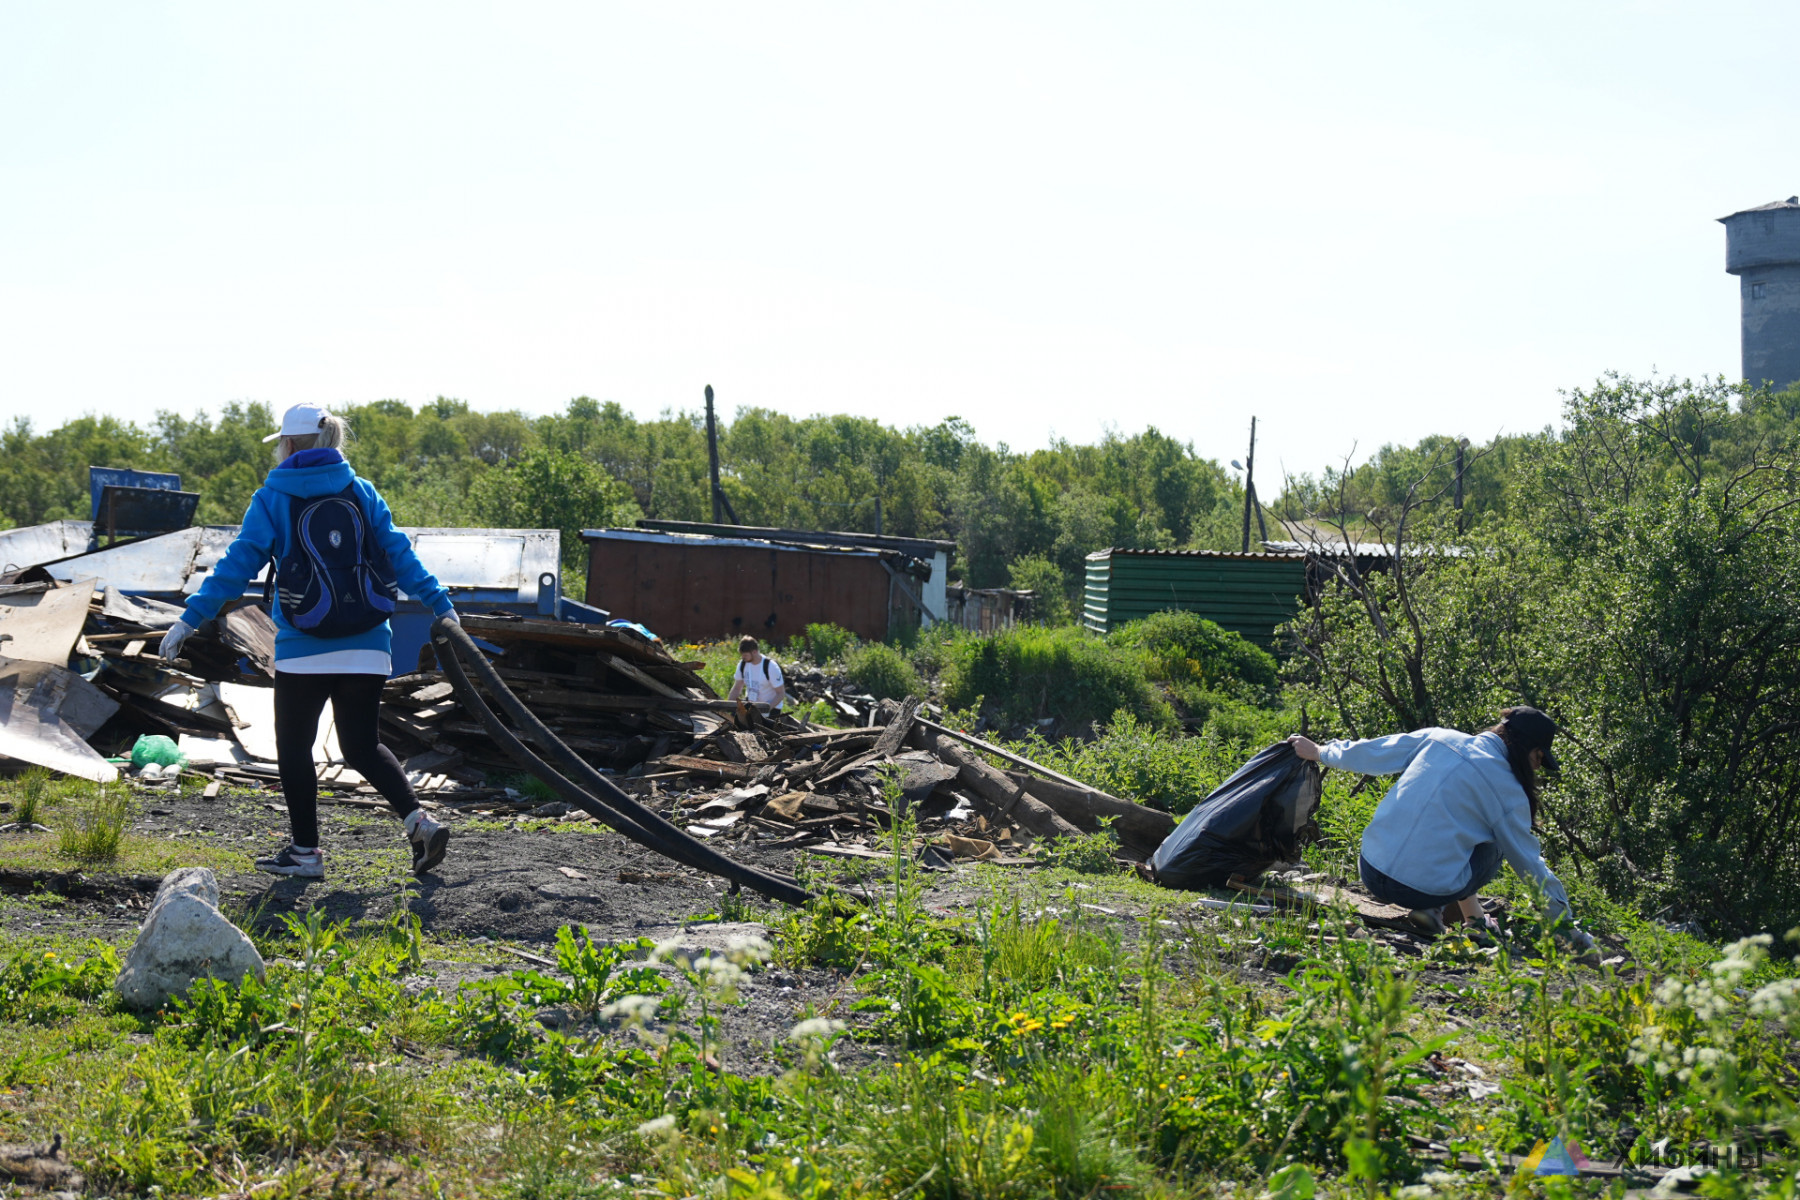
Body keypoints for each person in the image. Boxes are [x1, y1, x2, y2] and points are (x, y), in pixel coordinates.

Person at [159, 404, 459, 881]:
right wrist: (441, 605)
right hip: (368, 643)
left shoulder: (272, 497)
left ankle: (305, 854)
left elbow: (237, 567)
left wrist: (189, 620)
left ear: (290, 444)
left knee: (294, 749)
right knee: (361, 745)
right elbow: (400, 554)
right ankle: (419, 822)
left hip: (304, 645)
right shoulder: (361, 492)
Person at [1287, 707, 1597, 956]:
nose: (1538, 769)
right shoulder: (1509, 792)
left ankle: (1469, 920)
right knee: (1498, 843)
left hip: (1371, 868)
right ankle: (1441, 910)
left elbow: (1376, 752)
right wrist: (1569, 930)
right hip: (1418, 889)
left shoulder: (1440, 738)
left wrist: (1321, 751)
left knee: (1459, 821)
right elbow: (1531, 867)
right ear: (1532, 752)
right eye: (1540, 760)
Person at [725, 634, 786, 713]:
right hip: (752, 706)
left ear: (755, 652)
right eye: (742, 655)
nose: (743, 657)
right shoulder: (743, 664)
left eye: (745, 655)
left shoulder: (770, 666)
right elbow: (737, 688)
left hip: (771, 708)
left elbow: (780, 693)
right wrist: (727, 707)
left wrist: (766, 710)